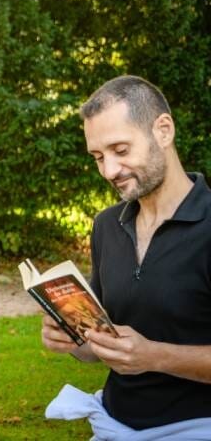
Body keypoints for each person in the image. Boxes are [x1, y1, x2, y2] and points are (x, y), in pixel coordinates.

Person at [41, 75, 211, 433]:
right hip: (113, 423)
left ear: (163, 131)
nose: (109, 171)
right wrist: (72, 340)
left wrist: (155, 356)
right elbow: (100, 346)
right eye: (98, 157)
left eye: (120, 150)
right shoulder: (106, 226)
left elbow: (142, 355)